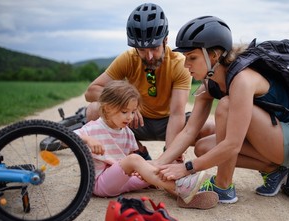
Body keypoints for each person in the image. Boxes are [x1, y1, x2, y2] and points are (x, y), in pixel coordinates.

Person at [154, 16, 289, 203]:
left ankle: (223, 187)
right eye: (185, 58)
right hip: (274, 137)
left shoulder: (242, 79)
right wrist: (159, 163)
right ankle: (274, 170)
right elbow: (189, 131)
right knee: (203, 148)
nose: (185, 65)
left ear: (214, 55)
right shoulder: (210, 84)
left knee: (226, 105)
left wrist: (187, 168)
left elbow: (233, 145)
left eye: (192, 57)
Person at [83, 3, 214, 160]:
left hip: (168, 122)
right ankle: (138, 152)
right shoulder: (128, 58)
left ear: (165, 41)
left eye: (154, 48)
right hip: (135, 121)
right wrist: (124, 103)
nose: (149, 56)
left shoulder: (179, 62)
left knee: (210, 128)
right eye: (142, 50)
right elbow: (91, 91)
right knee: (93, 110)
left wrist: (170, 155)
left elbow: (177, 113)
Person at [75, 80, 216, 208]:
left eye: (133, 112)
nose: (130, 117)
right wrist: (87, 140)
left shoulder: (126, 132)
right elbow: (67, 138)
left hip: (122, 181)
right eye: (124, 112)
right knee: (136, 160)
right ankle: (181, 186)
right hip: (100, 184)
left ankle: (184, 196)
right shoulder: (92, 129)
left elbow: (129, 164)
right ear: (106, 108)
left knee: (156, 166)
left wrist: (146, 170)